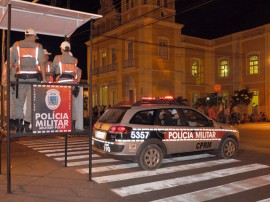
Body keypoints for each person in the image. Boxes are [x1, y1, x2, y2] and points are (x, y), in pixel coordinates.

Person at [10, 28, 46, 132]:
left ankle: (18, 123)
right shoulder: (38, 46)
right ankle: (26, 123)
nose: (35, 38)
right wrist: (44, 79)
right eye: (35, 37)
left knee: (18, 102)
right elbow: (42, 64)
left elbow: (11, 63)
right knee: (31, 102)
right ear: (33, 36)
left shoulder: (16, 45)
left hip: (20, 79)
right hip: (33, 79)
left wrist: (10, 78)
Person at [53, 41, 79, 129]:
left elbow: (53, 70)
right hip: (72, 83)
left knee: (60, 103)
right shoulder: (74, 59)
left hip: (61, 83)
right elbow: (78, 71)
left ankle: (61, 123)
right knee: (72, 104)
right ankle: (72, 124)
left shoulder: (58, 58)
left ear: (62, 49)